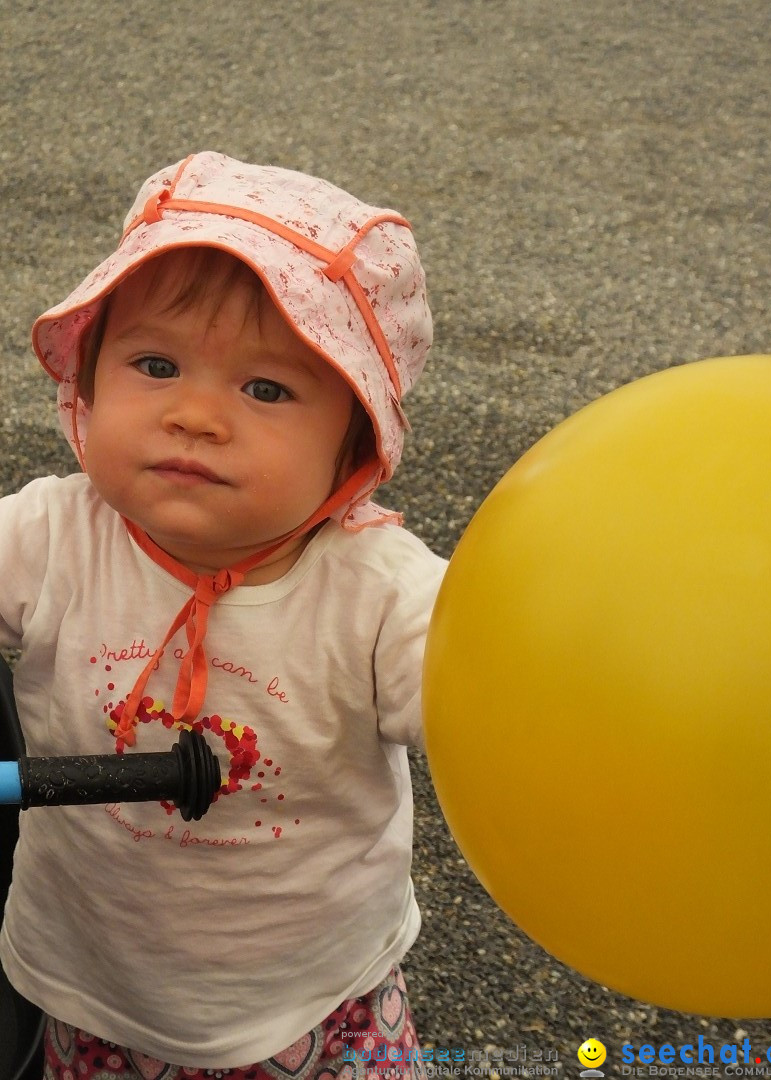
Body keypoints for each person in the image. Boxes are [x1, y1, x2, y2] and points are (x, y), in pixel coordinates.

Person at [0, 152, 447, 1079]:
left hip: (316, 1003)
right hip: (92, 985)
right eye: (155, 364)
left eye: (267, 389)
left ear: (355, 445)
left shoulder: (379, 593)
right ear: (87, 381)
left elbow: (510, 707)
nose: (195, 415)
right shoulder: (51, 536)